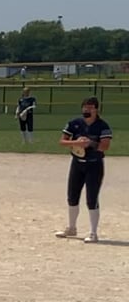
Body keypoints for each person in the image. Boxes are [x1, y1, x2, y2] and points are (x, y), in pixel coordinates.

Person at [57, 96, 110, 243]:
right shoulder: (74, 123)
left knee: (91, 198)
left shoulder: (102, 126)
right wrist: (76, 142)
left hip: (94, 165)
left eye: (90, 107)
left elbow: (105, 146)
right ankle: (71, 228)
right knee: (72, 196)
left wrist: (90, 143)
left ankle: (93, 233)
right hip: (77, 163)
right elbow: (62, 141)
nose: (87, 110)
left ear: (96, 109)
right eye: (85, 107)